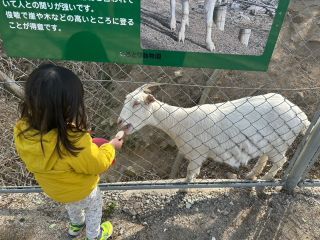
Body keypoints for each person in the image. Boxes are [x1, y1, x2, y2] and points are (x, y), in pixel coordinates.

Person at [13, 63, 123, 240]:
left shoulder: (22, 130)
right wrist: (111, 147)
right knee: (94, 207)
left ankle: (76, 227)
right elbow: (98, 164)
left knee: (72, 204)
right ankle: (95, 235)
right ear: (68, 107)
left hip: (55, 190)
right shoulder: (73, 140)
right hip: (83, 190)